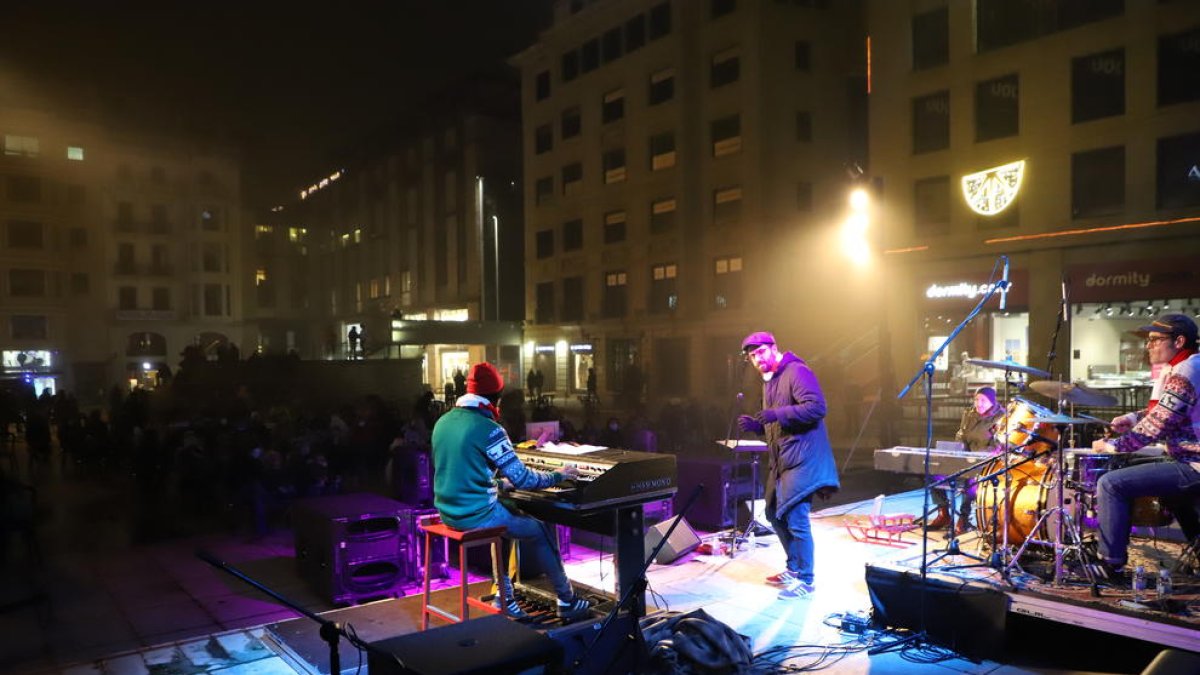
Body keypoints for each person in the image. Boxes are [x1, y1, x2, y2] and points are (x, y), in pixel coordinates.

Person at [431, 362, 591, 620]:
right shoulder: (489, 429)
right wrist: (560, 474)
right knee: (539, 529)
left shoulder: (443, 422)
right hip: (476, 515)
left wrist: (496, 484)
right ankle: (567, 600)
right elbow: (523, 479)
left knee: (507, 521)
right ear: (495, 398)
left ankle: (503, 596)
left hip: (448, 512)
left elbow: (462, 472)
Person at [1091, 313, 1200, 578]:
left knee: (1111, 483)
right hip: (1188, 459)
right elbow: (1167, 409)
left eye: (1155, 339)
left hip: (1194, 464)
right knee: (1162, 485)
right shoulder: (1187, 366)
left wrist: (1114, 445)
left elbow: (1159, 424)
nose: (1148, 345)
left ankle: (1110, 562)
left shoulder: (1187, 370)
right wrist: (1131, 418)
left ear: (1179, 341)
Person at [736, 331, 840, 600]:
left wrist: (776, 414)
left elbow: (817, 408)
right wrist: (760, 426)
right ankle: (793, 570)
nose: (756, 360)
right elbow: (780, 424)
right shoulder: (770, 381)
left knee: (795, 518)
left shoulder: (797, 371)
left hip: (804, 459)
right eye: (751, 356)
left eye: (760, 353)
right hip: (784, 461)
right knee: (773, 513)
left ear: (773, 348)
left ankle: (806, 579)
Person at [928, 386, 1003, 531]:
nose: (978, 403)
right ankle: (944, 513)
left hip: (985, 464)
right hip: (965, 460)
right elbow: (961, 435)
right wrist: (957, 451)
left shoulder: (1000, 417)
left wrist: (976, 457)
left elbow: (997, 447)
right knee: (934, 472)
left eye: (983, 400)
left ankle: (963, 518)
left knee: (972, 480)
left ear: (992, 402)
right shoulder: (969, 414)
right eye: (976, 399)